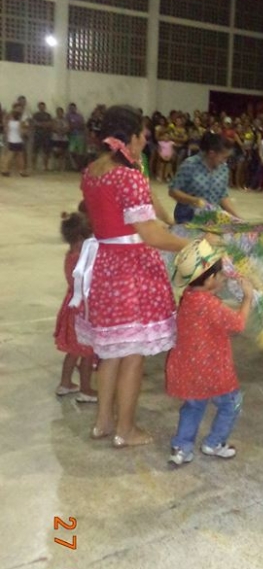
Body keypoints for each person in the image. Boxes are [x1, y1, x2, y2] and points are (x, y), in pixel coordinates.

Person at [72, 105, 191, 447]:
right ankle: (126, 429)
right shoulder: (128, 175)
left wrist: (167, 225)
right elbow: (150, 234)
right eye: (143, 136)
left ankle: (103, 422)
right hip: (131, 270)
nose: (145, 142)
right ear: (132, 137)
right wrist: (190, 244)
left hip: (106, 265)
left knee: (110, 353)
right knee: (133, 356)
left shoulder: (92, 170)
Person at [166, 238, 253, 467]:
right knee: (231, 403)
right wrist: (248, 298)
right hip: (213, 370)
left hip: (188, 368)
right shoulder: (210, 305)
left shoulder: (189, 298)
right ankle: (214, 442)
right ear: (211, 279)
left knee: (193, 406)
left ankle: (182, 447)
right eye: (222, 275)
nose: (224, 278)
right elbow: (238, 324)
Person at [54, 212, 98, 402]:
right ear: (81, 238)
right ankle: (86, 389)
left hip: (72, 307)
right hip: (84, 310)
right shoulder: (82, 259)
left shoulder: (70, 254)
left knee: (74, 349)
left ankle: (65, 383)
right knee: (87, 352)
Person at [169, 131, 240, 224]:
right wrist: (193, 200)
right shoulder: (190, 164)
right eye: (224, 157)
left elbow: (222, 196)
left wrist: (236, 217)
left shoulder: (223, 169)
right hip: (188, 219)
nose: (224, 161)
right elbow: (173, 191)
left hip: (213, 220)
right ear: (211, 153)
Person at [1, 105, 29, 177]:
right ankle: (5, 170)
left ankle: (20, 171)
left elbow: (24, 128)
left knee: (19, 155)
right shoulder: (9, 117)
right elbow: (6, 127)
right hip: (13, 138)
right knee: (11, 155)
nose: (19, 110)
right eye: (18, 108)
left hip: (18, 138)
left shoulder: (20, 118)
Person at [32, 101, 53, 172]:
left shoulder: (48, 115)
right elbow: (34, 123)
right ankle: (33, 166)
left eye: (43, 106)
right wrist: (43, 124)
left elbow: (50, 123)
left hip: (46, 135)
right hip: (37, 135)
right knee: (35, 151)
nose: (42, 108)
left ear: (45, 107)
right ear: (38, 107)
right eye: (40, 106)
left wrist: (41, 124)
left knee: (46, 151)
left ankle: (45, 166)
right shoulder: (35, 115)